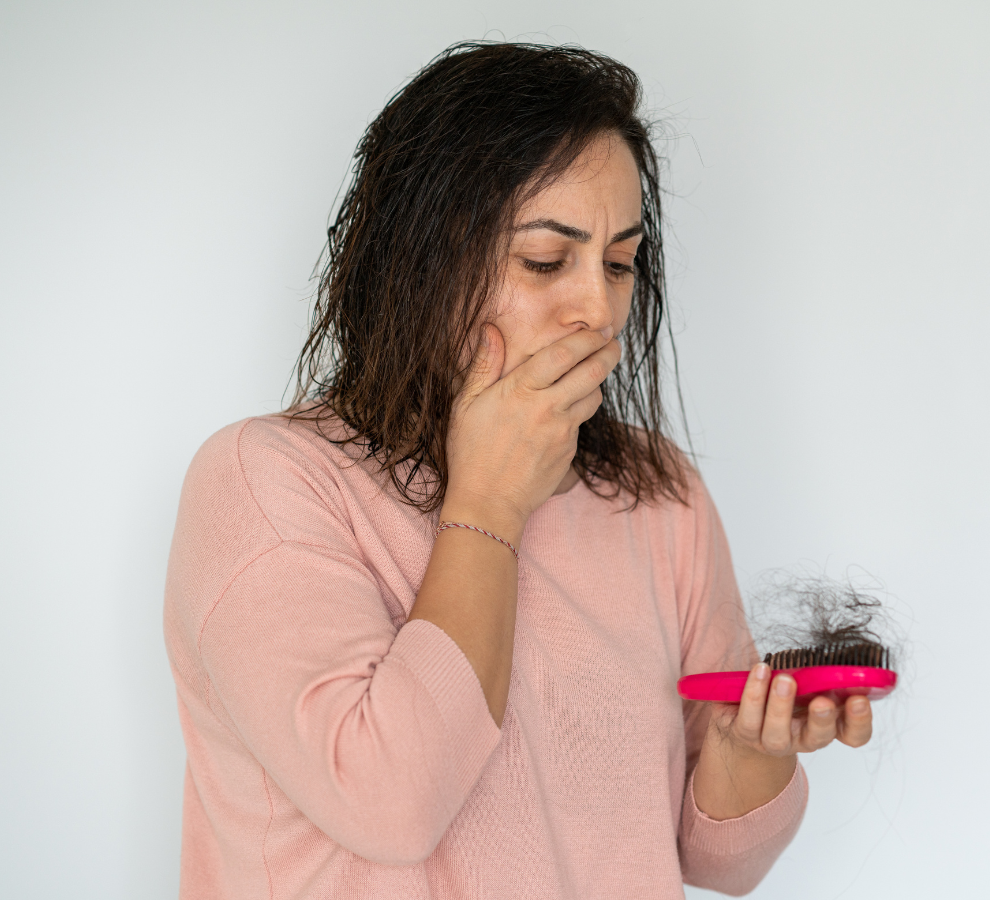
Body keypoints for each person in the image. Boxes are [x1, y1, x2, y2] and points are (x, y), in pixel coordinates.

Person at [163, 41, 873, 900]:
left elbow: (718, 862)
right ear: (421, 263)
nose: (597, 308)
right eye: (545, 260)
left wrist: (746, 748)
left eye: (618, 263)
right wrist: (490, 500)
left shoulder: (659, 493)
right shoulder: (265, 483)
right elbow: (390, 805)